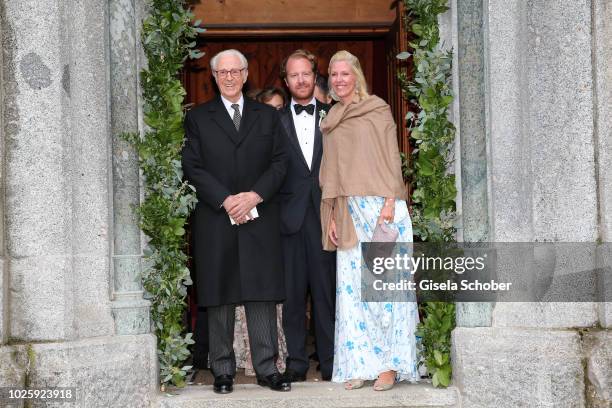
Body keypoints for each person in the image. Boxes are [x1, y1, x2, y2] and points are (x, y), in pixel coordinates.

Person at [182, 49, 291, 394]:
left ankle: (266, 369)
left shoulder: (267, 116)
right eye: (222, 72)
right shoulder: (198, 118)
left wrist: (254, 196)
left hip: (259, 216)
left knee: (261, 293)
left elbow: (280, 162)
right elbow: (192, 166)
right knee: (219, 294)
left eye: (235, 71)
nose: (229, 77)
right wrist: (227, 200)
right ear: (214, 78)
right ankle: (223, 370)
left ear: (246, 75)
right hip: (216, 217)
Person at [319, 50, 419, 391]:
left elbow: (392, 155)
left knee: (384, 290)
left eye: (345, 74)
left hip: (381, 208)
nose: (339, 80)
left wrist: (391, 200)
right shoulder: (331, 116)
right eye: (334, 75)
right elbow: (330, 171)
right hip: (348, 212)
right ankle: (360, 363)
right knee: (353, 292)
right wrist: (331, 213)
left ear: (356, 75)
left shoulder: (377, 109)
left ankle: (389, 366)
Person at [278, 49, 336, 382]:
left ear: (315, 77)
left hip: (326, 219)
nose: (301, 80)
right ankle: (296, 364)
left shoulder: (335, 116)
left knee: (327, 296)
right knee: (293, 299)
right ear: (285, 82)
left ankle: (330, 364)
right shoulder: (274, 121)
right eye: (293, 75)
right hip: (288, 221)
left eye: (306, 74)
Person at [234, 85, 289, 377]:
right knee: (243, 288)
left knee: (268, 291)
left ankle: (271, 358)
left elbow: (281, 166)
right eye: (271, 110)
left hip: (275, 215)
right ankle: (246, 355)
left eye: (281, 110)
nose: (276, 116)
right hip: (237, 214)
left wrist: (257, 196)